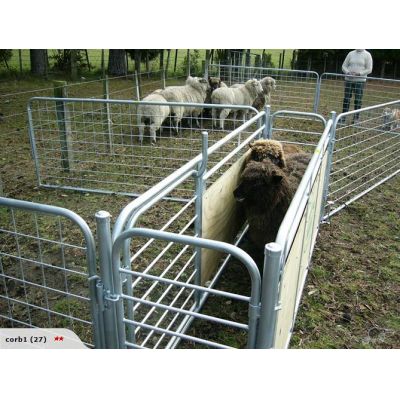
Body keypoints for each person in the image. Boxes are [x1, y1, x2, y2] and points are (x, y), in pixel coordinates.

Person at [341, 49, 373, 122]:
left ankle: (356, 118)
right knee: (346, 99)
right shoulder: (350, 53)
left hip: (360, 81)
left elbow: (369, 69)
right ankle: (343, 117)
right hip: (348, 80)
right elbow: (344, 66)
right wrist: (348, 72)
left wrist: (359, 74)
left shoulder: (367, 55)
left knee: (358, 100)